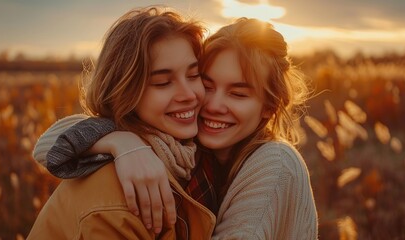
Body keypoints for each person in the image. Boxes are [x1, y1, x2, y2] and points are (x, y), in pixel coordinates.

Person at [34, 17, 318, 239]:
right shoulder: (183, 150)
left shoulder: (272, 164)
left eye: (238, 93)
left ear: (269, 106)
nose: (210, 102)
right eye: (206, 83)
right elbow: (50, 147)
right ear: (129, 92)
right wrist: (123, 143)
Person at [27, 6, 217, 240]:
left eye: (193, 75)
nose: (188, 94)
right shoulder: (117, 203)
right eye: (162, 82)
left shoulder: (191, 152)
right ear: (124, 92)